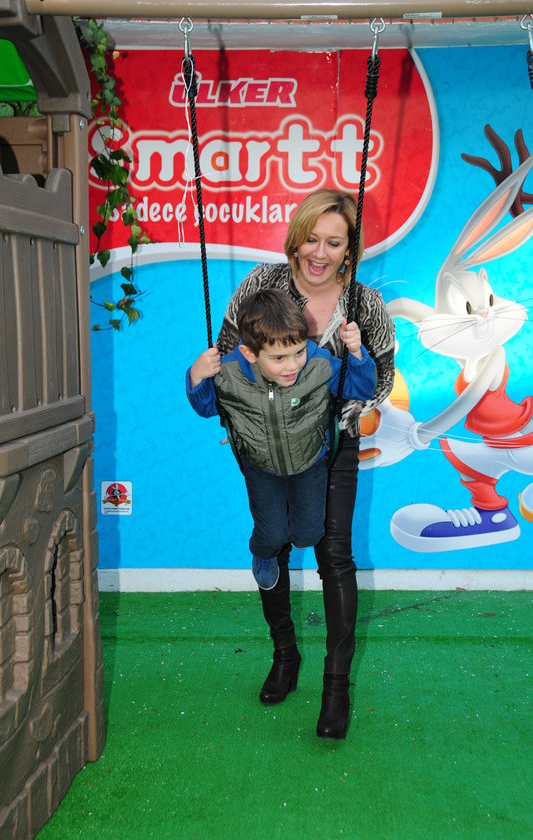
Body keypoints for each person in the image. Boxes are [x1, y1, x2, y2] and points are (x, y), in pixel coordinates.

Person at [216, 189, 396, 740]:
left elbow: (383, 376)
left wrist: (335, 409)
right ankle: (285, 655)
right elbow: (228, 354)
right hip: (267, 445)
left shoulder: (365, 304)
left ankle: (335, 688)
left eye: (334, 243)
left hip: (333, 445)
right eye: (312, 239)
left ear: (349, 249)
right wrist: (238, 413)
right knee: (272, 541)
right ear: (296, 239)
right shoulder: (261, 285)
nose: (320, 253)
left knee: (334, 552)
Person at [186, 288, 376, 594]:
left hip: (310, 460)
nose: (292, 366)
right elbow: (207, 406)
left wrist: (356, 353)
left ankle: (293, 531)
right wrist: (197, 375)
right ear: (250, 353)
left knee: (309, 534)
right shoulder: (231, 373)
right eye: (278, 358)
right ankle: (262, 553)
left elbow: (362, 387)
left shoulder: (318, 363)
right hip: (260, 467)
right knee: (272, 535)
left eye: (298, 351)